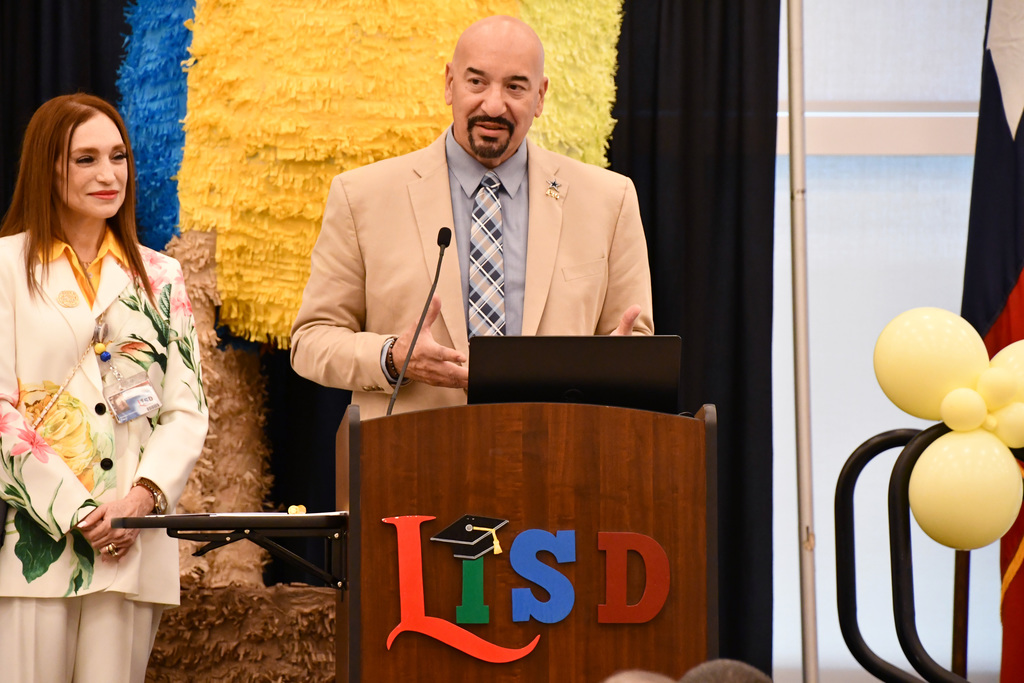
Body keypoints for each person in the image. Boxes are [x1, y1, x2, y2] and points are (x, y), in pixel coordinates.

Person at [290, 15, 654, 418]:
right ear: (450, 84)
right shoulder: (361, 197)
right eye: (477, 82)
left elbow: (635, 343)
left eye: (515, 87)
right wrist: (392, 357)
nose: (493, 105)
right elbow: (311, 340)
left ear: (540, 96)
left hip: (558, 448)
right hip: (409, 452)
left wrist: (616, 366)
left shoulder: (609, 200)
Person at [0, 94, 209, 682]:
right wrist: (78, 511)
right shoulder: (6, 266)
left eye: (118, 157)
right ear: (47, 168)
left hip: (132, 544)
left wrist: (138, 503)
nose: (109, 174)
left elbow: (186, 411)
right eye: (86, 159)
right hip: (35, 545)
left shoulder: (161, 275)